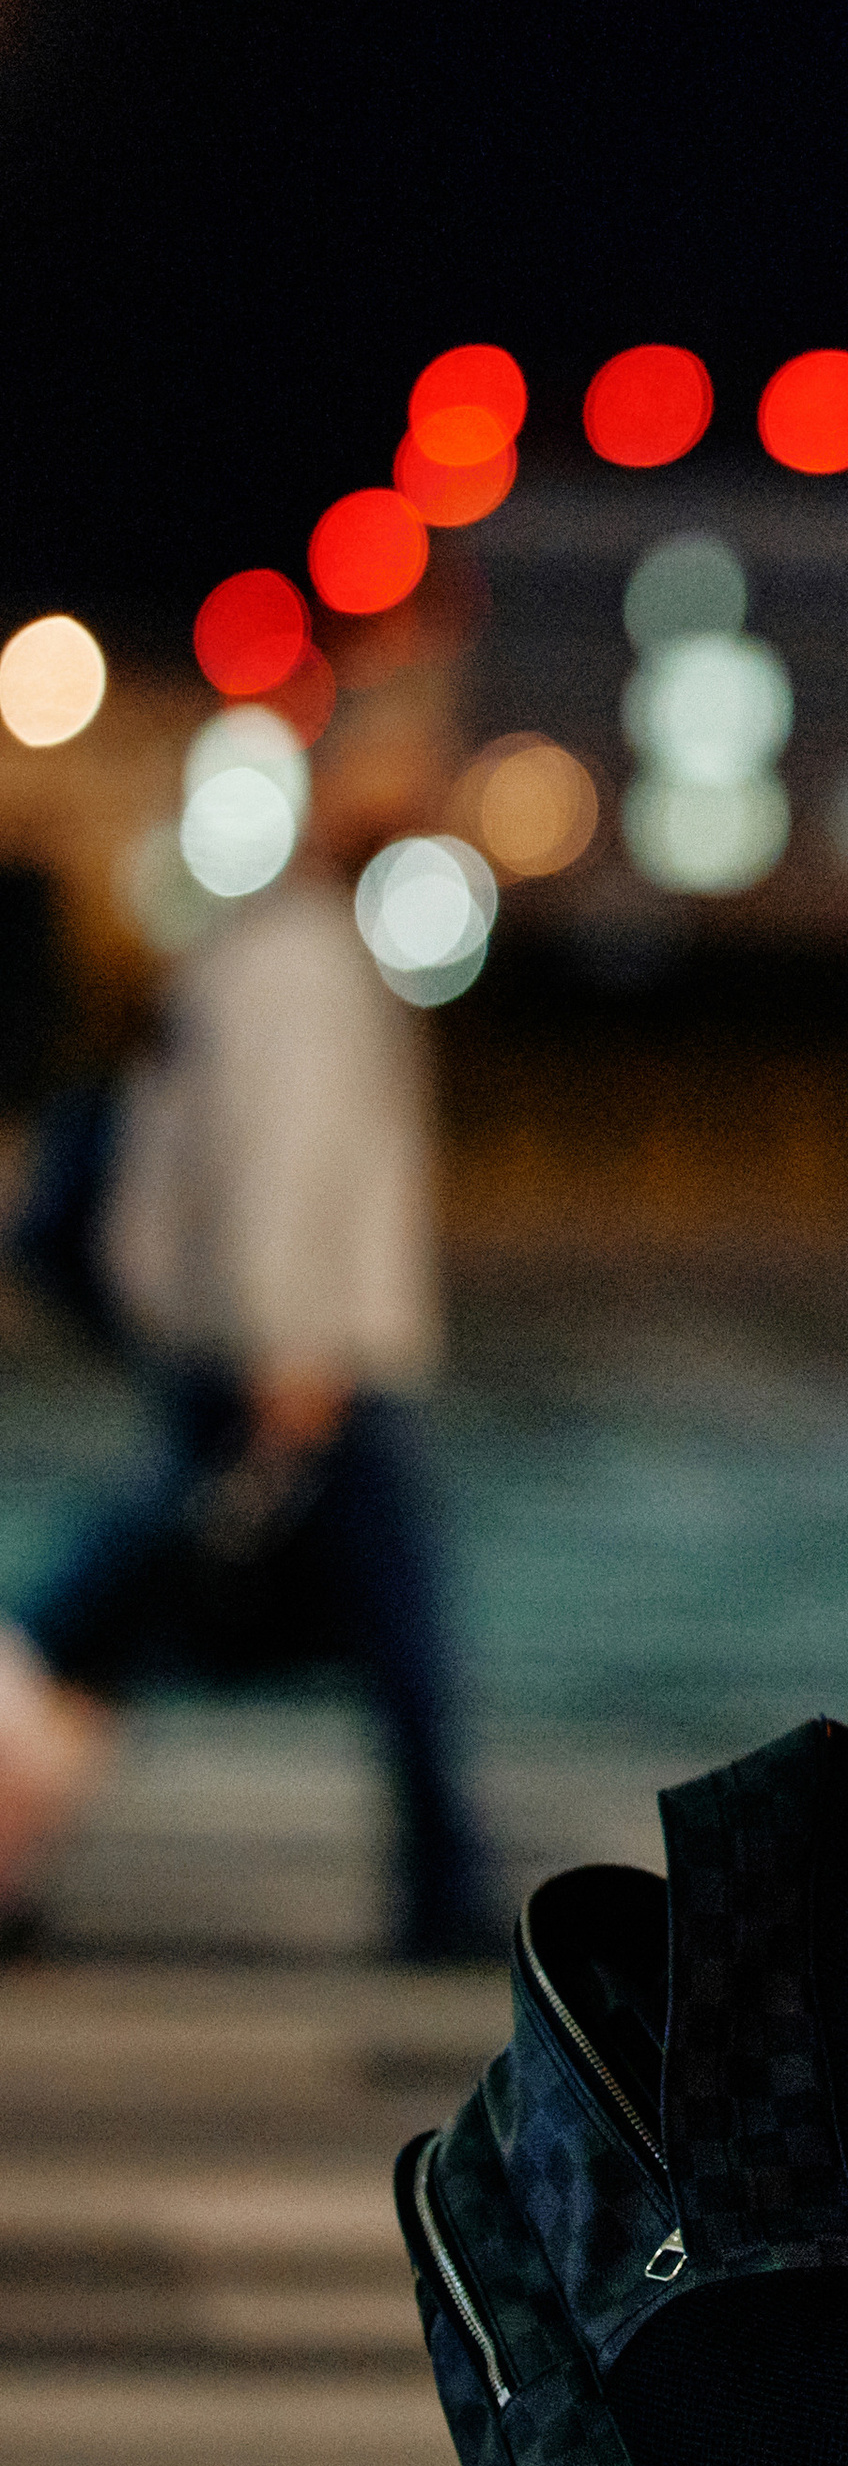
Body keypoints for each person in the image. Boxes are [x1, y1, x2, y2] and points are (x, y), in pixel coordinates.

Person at [0, 711, 504, 1961]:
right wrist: (293, 1349)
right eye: (399, 763)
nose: (427, 785)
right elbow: (277, 1171)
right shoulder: (296, 964)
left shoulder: (275, 951)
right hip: (313, 1364)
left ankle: (440, 1875)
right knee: (365, 1634)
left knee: (131, 1615)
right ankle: (440, 1884)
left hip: (292, 1356)